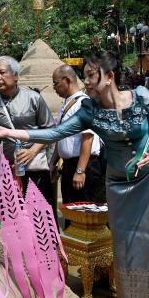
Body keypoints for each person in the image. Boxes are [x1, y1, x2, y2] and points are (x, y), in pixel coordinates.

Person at [0, 51, 149, 298]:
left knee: (145, 242)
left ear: (109, 77)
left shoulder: (141, 95)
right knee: (122, 244)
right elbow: (53, 133)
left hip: (145, 182)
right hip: (116, 183)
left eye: (91, 76)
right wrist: (13, 134)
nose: (86, 82)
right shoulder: (89, 111)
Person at [0, 56, 55, 208]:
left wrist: (32, 152)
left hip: (34, 167)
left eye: (2, 72)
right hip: (6, 173)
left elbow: (50, 130)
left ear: (15, 76)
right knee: (13, 220)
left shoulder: (34, 98)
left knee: (40, 217)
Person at [51, 64, 105, 204]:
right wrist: (53, 163)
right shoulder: (66, 105)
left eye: (56, 83)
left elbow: (87, 138)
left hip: (85, 166)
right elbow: (60, 137)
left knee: (87, 213)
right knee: (71, 213)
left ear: (67, 80)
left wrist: (80, 171)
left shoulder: (84, 103)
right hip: (69, 166)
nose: (54, 88)